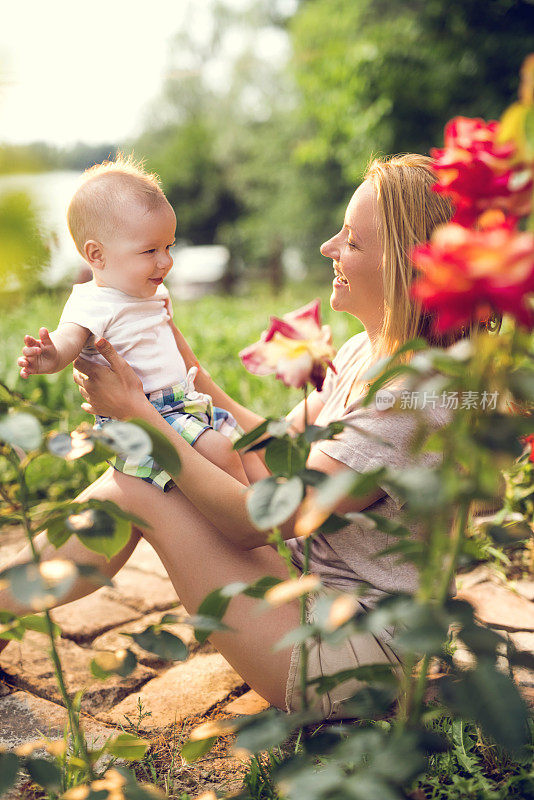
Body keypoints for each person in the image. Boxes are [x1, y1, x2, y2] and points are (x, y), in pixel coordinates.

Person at [1, 154, 494, 718]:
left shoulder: (412, 394)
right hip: (321, 593)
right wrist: (191, 380)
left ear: (412, 269)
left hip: (360, 659)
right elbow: (280, 443)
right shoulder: (370, 352)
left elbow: (255, 521)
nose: (328, 248)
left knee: (137, 486)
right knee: (140, 479)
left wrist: (143, 420)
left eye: (352, 242)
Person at [16, 155, 248, 489]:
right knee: (222, 452)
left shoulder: (150, 290)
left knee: (240, 444)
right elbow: (69, 338)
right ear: (97, 255)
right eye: (150, 251)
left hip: (185, 402)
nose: (165, 261)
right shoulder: (92, 301)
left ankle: (244, 514)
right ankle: (251, 525)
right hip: (145, 418)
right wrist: (51, 355)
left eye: (168, 246)